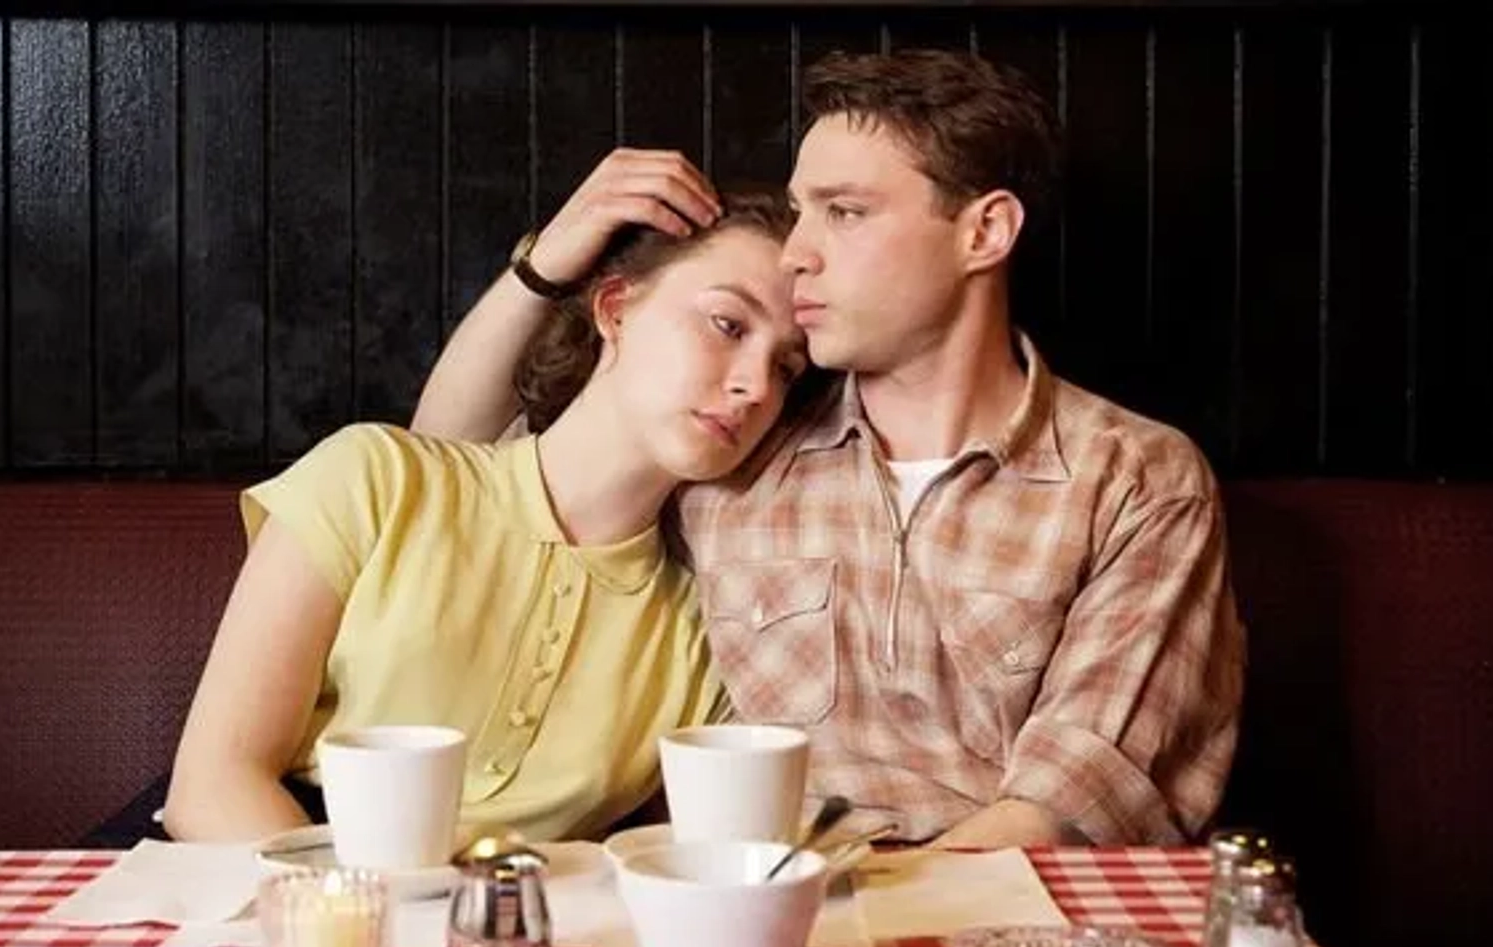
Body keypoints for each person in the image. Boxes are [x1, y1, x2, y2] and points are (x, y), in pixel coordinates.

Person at [411, 49, 1247, 850]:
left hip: (1012, 919)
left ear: (984, 232)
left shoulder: (1132, 476)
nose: (798, 252)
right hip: (781, 917)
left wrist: (891, 922)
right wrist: (550, 259)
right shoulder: (739, 442)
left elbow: (1069, 802)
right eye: (801, 210)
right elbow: (451, 472)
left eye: (843, 212)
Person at [161, 189, 809, 844]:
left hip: (503, 925)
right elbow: (213, 787)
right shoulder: (374, 477)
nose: (755, 385)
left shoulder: (703, 631)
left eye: (787, 366)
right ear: (616, 309)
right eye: (728, 325)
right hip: (248, 880)